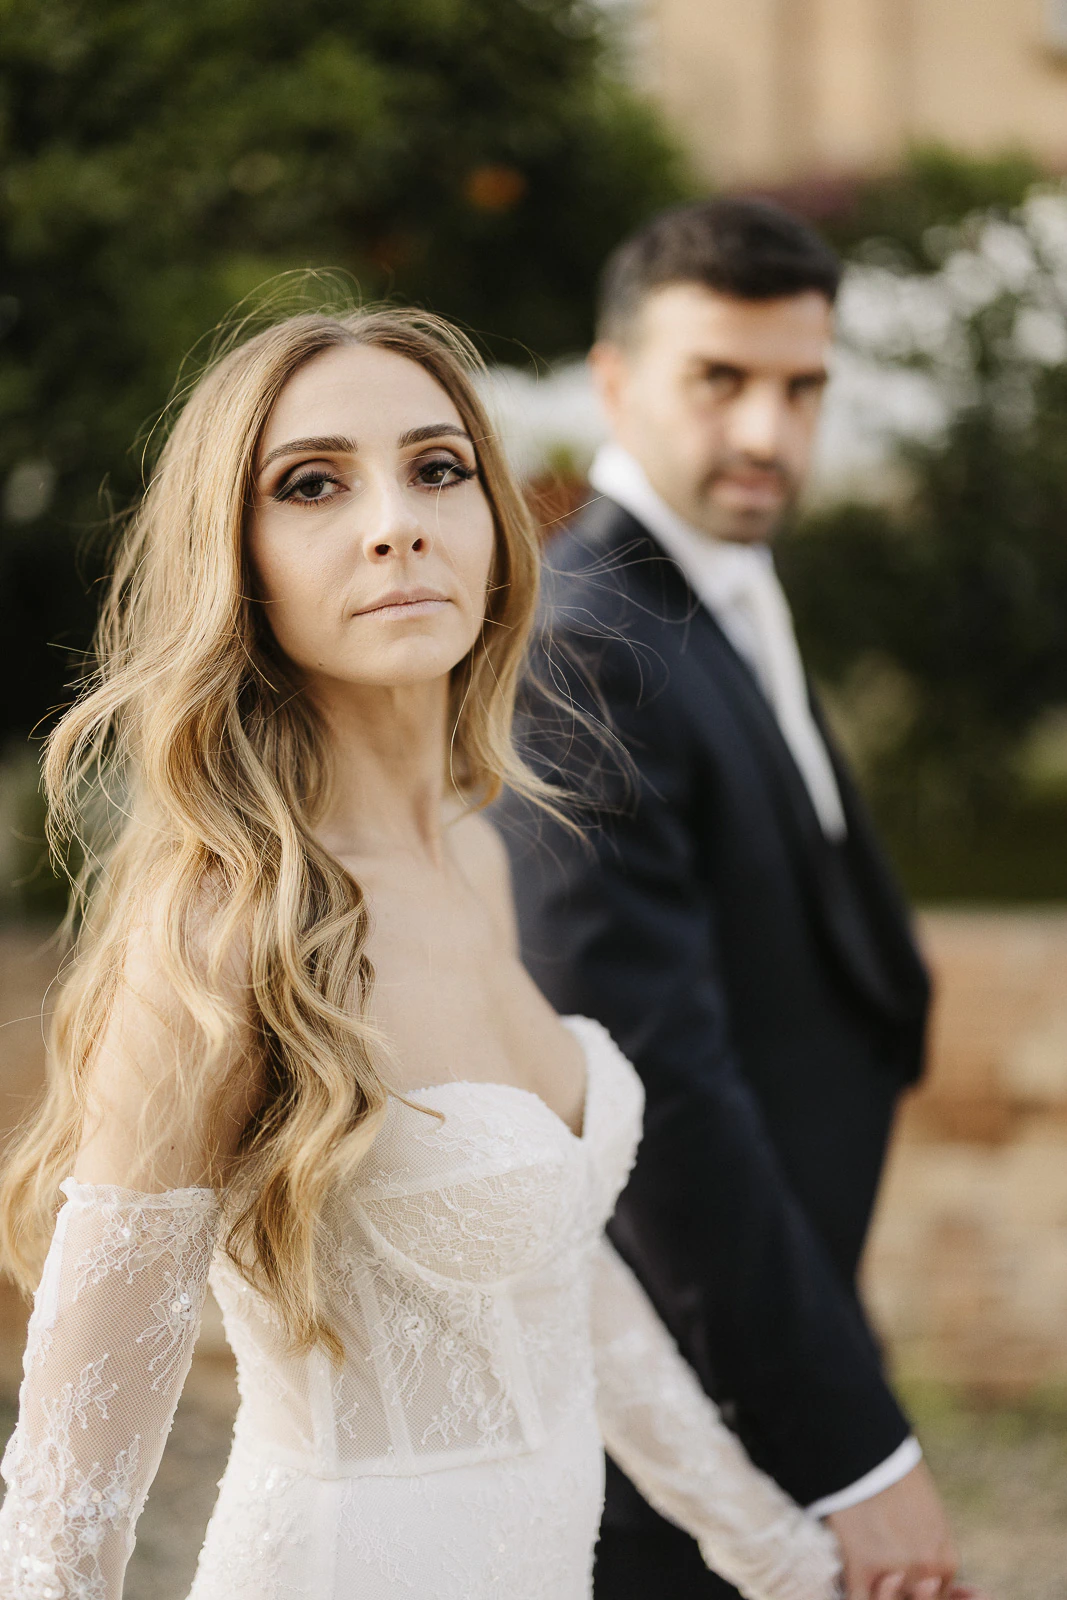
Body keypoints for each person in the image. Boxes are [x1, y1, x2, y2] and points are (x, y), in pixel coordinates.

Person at [0, 307, 848, 1600]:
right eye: (312, 485)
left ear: (497, 526)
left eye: (437, 468)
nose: (395, 522)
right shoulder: (226, 935)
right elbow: (62, 1516)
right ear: (235, 561)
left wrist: (782, 1556)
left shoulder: (477, 858)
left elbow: (558, 1278)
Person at [498, 200, 964, 1600]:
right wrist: (852, 1451)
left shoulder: (717, 593)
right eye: (720, 380)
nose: (767, 431)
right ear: (615, 380)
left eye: (801, 387)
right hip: (675, 1432)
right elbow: (654, 1094)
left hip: (778, 1332)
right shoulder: (589, 646)